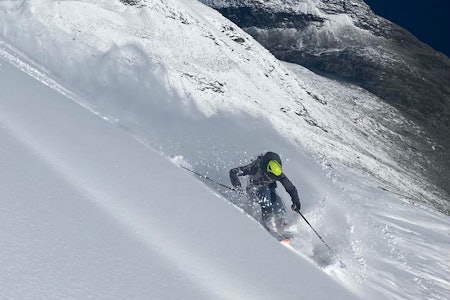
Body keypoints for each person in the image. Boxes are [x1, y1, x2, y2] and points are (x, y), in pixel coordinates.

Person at [229, 151, 301, 239]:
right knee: (265, 193)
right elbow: (233, 172)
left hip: (269, 191)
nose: (270, 178)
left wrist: (296, 202)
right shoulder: (254, 167)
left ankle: (281, 224)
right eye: (268, 176)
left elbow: (291, 189)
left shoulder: (279, 174)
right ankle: (269, 224)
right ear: (264, 169)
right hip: (254, 190)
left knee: (277, 203)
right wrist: (238, 188)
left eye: (273, 178)